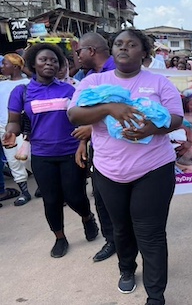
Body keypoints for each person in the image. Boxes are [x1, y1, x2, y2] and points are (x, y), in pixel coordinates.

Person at [68, 29, 184, 305]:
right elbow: (74, 115)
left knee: (151, 232)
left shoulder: (159, 82)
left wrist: (151, 129)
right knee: (121, 228)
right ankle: (127, 268)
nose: (124, 48)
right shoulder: (95, 82)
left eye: (132, 45)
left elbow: (177, 119)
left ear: (143, 52)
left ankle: (156, 296)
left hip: (153, 168)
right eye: (119, 44)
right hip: (109, 170)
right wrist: (109, 109)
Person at [2, 43, 99, 258]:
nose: (49, 63)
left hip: (71, 152)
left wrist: (84, 141)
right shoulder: (23, 91)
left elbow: (83, 120)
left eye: (54, 60)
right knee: (51, 200)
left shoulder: (69, 90)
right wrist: (10, 133)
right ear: (33, 63)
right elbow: (14, 122)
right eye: (43, 59)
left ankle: (87, 218)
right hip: (42, 155)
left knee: (75, 196)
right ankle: (60, 238)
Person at [75, 31, 118, 263]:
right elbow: (86, 112)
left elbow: (132, 108)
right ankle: (111, 240)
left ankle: (133, 241)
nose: (77, 56)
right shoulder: (88, 77)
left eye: (79, 51)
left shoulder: (119, 71)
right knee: (100, 196)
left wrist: (91, 130)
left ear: (91, 51)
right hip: (99, 148)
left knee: (128, 198)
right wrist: (84, 142)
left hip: (127, 145)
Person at [0, 53, 32, 206]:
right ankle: (24, 192)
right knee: (13, 159)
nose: (2, 67)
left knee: (29, 157)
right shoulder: (1, 84)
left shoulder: (28, 83)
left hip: (24, 126)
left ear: (15, 67)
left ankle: (42, 186)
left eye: (5, 64)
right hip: (4, 127)